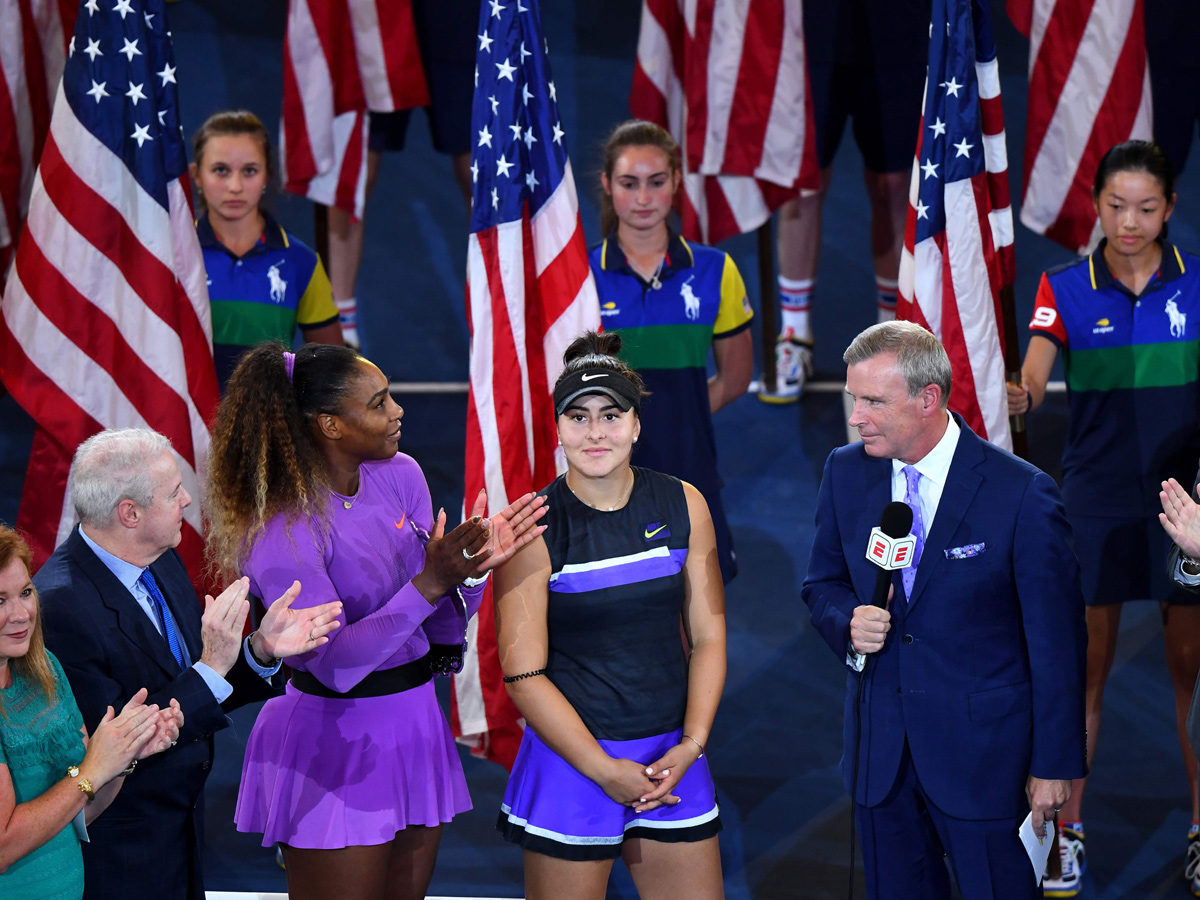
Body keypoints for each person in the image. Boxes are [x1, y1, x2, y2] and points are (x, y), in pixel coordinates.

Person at [205, 342, 546, 900]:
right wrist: (433, 581)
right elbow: (335, 664)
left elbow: (436, 633)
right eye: (380, 403)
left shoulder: (401, 474)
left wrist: (470, 573)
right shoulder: (281, 527)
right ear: (331, 425)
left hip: (415, 725)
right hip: (335, 742)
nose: (398, 412)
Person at [803, 320, 1087, 900]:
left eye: (874, 401)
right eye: (854, 399)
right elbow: (822, 584)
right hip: (879, 760)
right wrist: (847, 623)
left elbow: (1058, 642)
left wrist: (1055, 764)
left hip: (985, 766)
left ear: (928, 399)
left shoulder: (1021, 494)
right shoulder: (846, 472)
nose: (857, 416)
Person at [33, 427, 343, 900]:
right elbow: (117, 744)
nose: (186, 502)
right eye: (174, 491)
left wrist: (258, 650)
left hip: (179, 832)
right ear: (130, 513)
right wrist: (212, 668)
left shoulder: (159, 560)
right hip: (119, 853)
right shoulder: (62, 607)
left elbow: (200, 689)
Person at [1008, 140, 1200, 896]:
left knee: (1192, 671)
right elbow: (1033, 367)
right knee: (1083, 671)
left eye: (1146, 207)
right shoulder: (1062, 286)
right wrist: (1022, 394)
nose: (1129, 221)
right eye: (1116, 206)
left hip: (1184, 506)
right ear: (1096, 203)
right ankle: (1067, 830)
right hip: (1093, 500)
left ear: (1171, 208)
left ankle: (1198, 830)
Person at [494, 331, 727, 900]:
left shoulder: (684, 503)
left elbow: (710, 637)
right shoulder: (531, 529)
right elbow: (522, 675)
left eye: (610, 415)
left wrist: (692, 744)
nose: (595, 433)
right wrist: (603, 769)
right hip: (573, 767)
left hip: (672, 761)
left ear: (636, 424)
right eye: (578, 417)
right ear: (558, 428)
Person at [589, 120, 752, 584]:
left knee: (697, 617)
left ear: (676, 184)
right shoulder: (579, 277)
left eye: (656, 182)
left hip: (689, 472)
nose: (643, 198)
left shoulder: (716, 270)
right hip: (602, 478)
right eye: (629, 183)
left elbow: (736, 377)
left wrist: (675, 418)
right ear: (607, 185)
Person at [759, 0, 930, 402]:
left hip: (896, 25)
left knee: (893, 184)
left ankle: (891, 335)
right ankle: (794, 335)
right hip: (813, 23)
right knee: (804, 181)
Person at [0, 524, 182, 900]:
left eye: (26, 592)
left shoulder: (45, 669)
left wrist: (122, 755)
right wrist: (92, 770)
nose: (20, 614)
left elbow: (79, 812)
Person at [327, 0, 479, 348]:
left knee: (478, 173)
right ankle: (338, 326)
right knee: (355, 166)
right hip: (375, 12)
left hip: (459, 15)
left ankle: (492, 321)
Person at [190, 110, 342, 390]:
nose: (235, 187)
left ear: (266, 176)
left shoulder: (301, 262)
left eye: (249, 171)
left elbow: (333, 372)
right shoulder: (173, 257)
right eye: (220, 170)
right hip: (184, 428)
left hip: (269, 427)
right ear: (196, 175)